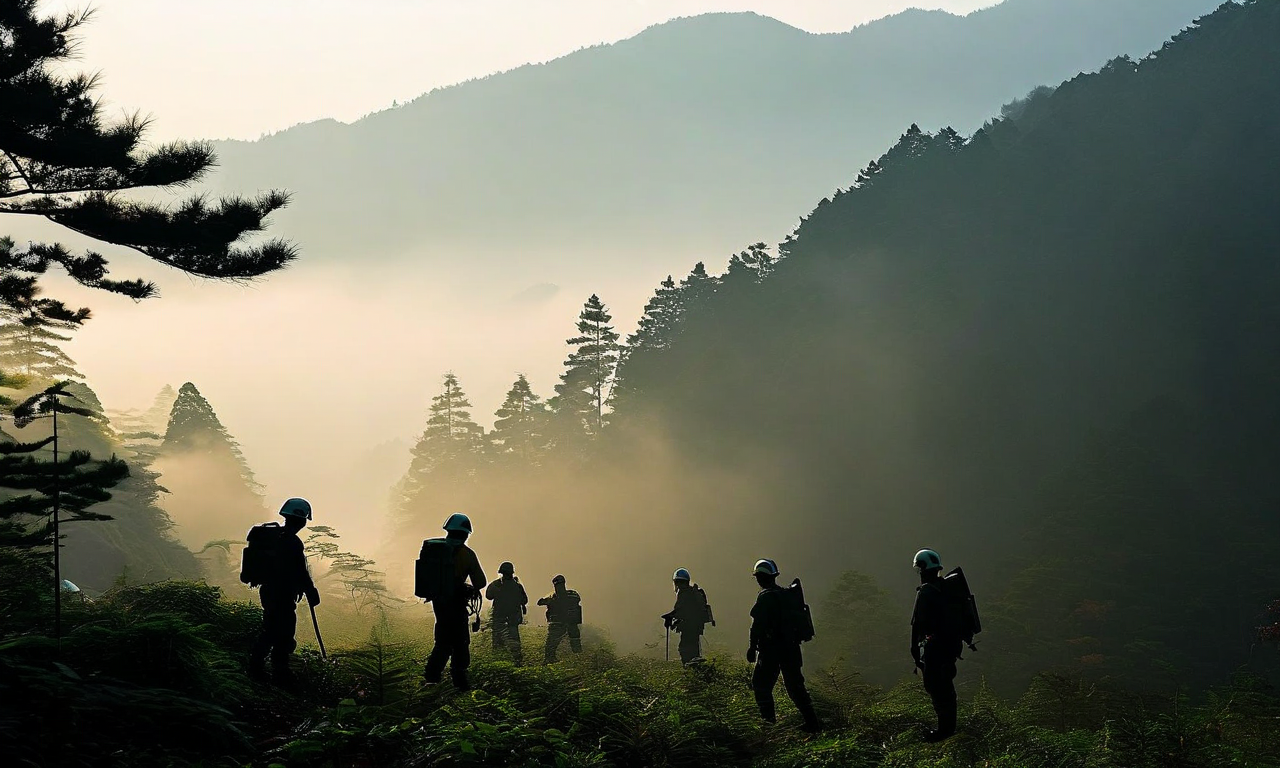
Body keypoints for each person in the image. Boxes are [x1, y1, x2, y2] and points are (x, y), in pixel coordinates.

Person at [245, 497, 320, 685]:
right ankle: (277, 671)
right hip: (282, 594)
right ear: (302, 521)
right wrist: (311, 591)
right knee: (282, 631)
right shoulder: (292, 542)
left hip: (269, 591)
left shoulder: (274, 538)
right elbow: (300, 571)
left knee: (271, 628)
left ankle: (261, 668)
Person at [747, 558, 821, 733]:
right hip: (792, 649)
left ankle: (769, 725)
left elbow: (757, 626)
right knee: (795, 687)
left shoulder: (765, 598)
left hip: (771, 651)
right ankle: (813, 725)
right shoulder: (787, 595)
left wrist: (752, 648)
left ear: (760, 578)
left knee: (761, 685)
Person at [422, 513, 487, 691]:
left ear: (448, 531)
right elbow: (480, 582)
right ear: (466, 534)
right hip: (457, 603)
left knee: (442, 640)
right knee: (460, 642)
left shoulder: (434, 549)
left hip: (439, 602)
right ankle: (460, 682)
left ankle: (431, 679)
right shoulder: (467, 554)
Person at [911, 548, 962, 742]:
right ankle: (948, 730)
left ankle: (944, 732)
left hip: (935, 648)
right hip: (950, 647)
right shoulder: (945, 589)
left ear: (923, 568)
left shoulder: (927, 592)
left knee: (936, 687)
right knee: (946, 688)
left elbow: (918, 624)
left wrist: (915, 651)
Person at [662, 567, 710, 665]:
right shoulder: (693, 592)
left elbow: (680, 611)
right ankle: (697, 671)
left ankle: (690, 669)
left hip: (688, 628)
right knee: (693, 650)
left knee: (685, 650)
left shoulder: (684, 594)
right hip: (696, 627)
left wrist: (670, 618)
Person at [485, 561, 528, 665]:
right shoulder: (517, 586)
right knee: (513, 641)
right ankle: (516, 662)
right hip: (510, 619)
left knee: (499, 642)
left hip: (501, 619)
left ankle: (500, 662)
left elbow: (488, 596)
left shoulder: (497, 584)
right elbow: (524, 600)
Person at [537, 574, 582, 663]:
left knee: (553, 643)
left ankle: (577, 659)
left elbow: (540, 602)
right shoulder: (571, 595)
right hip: (566, 623)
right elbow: (540, 602)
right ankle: (576, 659)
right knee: (572, 641)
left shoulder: (557, 596)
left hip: (562, 623)